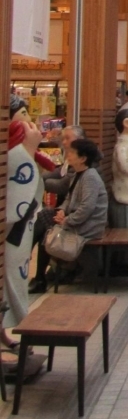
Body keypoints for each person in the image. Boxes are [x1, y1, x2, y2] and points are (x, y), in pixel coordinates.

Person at [34, 138, 108, 291]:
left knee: (44, 231)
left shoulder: (90, 177)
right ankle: (39, 276)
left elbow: (87, 208)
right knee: (44, 218)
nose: (68, 155)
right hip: (76, 220)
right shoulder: (77, 174)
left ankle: (39, 276)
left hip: (89, 225)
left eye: (72, 153)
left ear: (83, 158)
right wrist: (62, 210)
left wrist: (66, 220)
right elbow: (69, 198)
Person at [3, 117, 43, 347]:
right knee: (9, 280)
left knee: (15, 279)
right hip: (13, 231)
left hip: (21, 230)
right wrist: (29, 148)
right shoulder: (15, 156)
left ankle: (4, 330)